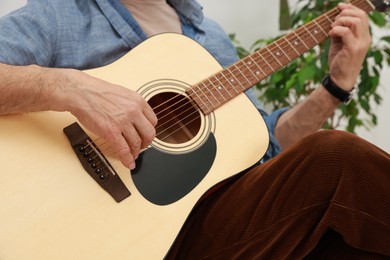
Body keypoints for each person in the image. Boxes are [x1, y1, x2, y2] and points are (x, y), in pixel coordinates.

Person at [0, 0, 389, 258]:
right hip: (112, 236)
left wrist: (336, 86)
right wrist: (69, 87)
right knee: (339, 156)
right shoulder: (61, 14)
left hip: (205, 224)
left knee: (337, 198)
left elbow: (259, 147)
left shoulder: (210, 38)